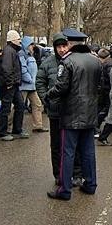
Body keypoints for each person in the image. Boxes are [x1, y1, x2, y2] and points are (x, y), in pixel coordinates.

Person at [45, 28, 101, 201]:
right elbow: (101, 87)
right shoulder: (95, 61)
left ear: (69, 43)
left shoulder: (67, 61)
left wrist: (48, 95)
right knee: (88, 151)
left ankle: (65, 189)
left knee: (67, 152)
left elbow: (61, 87)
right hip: (89, 113)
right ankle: (90, 184)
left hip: (71, 114)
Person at [38, 33, 81, 186]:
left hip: (72, 110)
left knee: (73, 144)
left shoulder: (74, 60)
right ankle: (58, 174)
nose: (62, 49)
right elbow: (40, 82)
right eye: (59, 47)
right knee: (56, 145)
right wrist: (46, 100)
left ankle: (76, 173)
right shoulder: (47, 63)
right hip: (55, 111)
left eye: (64, 46)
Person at [0, 30, 25, 140]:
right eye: (18, 39)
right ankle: (2, 132)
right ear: (13, 40)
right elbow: (7, 68)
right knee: (6, 108)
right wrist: (9, 83)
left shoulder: (11, 51)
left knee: (20, 105)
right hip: (10, 84)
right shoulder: (9, 51)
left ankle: (17, 130)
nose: (20, 41)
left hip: (13, 84)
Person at [20, 36, 47, 133]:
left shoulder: (31, 55)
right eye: (31, 45)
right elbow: (23, 69)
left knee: (37, 104)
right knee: (19, 107)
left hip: (31, 86)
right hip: (24, 86)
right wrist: (29, 79)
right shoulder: (22, 54)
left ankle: (38, 126)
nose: (32, 47)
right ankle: (10, 126)